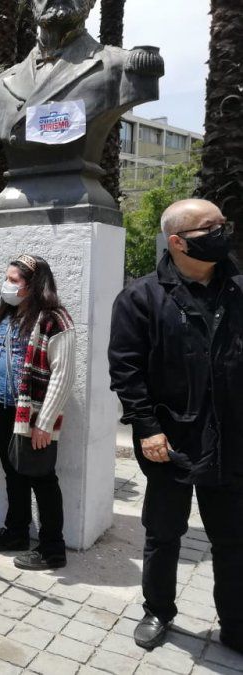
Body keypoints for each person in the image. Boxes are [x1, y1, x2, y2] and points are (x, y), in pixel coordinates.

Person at [109, 199, 243, 653]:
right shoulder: (141, 297)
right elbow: (126, 370)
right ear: (177, 242)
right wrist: (147, 427)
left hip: (232, 438)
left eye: (223, 224)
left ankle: (236, 623)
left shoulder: (238, 290)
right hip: (171, 440)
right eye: (211, 227)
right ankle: (158, 610)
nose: (223, 232)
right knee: (164, 532)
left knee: (233, 537)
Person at [0, 254, 75, 571]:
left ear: (34, 285)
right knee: (13, 472)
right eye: (7, 278)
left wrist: (45, 423)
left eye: (14, 280)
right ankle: (16, 532)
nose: (7, 285)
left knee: (42, 478)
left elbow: (63, 375)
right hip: (1, 405)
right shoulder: (4, 313)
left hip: (31, 414)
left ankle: (52, 549)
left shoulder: (55, 320)